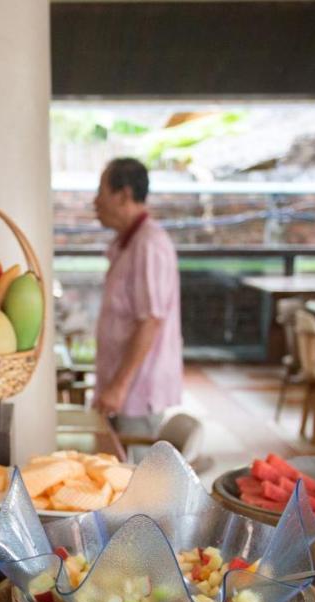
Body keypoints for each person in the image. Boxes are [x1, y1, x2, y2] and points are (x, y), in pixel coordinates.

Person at [91, 157, 183, 437]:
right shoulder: (127, 241)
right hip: (123, 385)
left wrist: (119, 386)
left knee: (139, 476)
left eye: (101, 192)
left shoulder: (149, 243)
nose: (95, 202)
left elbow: (150, 321)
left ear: (124, 195)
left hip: (138, 389)